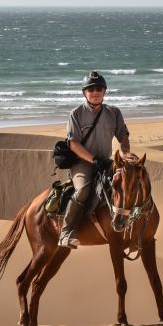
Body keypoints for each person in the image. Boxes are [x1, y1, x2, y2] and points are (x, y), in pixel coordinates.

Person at [58, 71, 130, 249]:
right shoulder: (76, 114)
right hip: (82, 164)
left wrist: (126, 154)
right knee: (83, 190)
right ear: (85, 93)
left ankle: (134, 231)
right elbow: (73, 144)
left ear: (104, 92)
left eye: (98, 88)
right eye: (90, 89)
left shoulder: (114, 113)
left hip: (106, 162)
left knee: (129, 184)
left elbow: (123, 136)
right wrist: (94, 160)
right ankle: (66, 233)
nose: (95, 92)